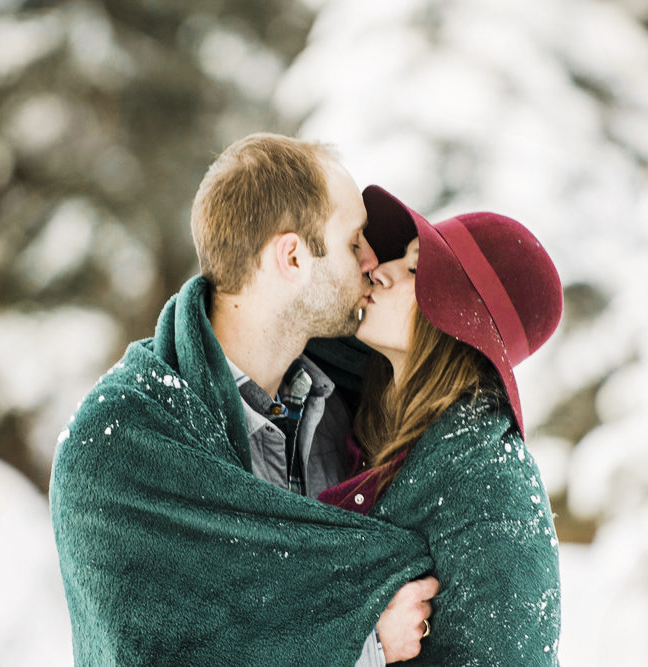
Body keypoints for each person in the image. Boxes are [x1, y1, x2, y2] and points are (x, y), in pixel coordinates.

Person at [50, 134, 437, 666]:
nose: (372, 262)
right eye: (353, 243)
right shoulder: (117, 448)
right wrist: (364, 648)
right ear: (293, 257)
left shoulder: (347, 411)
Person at [318, 185, 564, 664]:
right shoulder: (364, 428)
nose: (378, 270)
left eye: (413, 270)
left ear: (457, 321)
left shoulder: (491, 486)